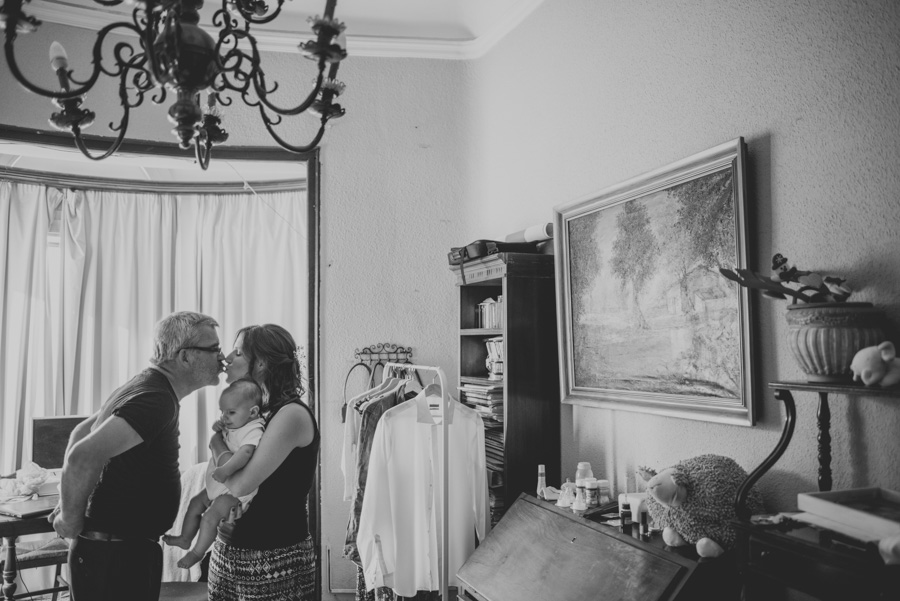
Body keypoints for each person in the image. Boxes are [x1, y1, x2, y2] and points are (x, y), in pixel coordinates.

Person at [49, 311, 224, 601]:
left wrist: (66, 506)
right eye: (214, 349)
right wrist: (69, 518)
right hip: (116, 555)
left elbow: (81, 432)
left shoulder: (147, 386)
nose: (223, 357)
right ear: (185, 356)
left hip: (115, 552)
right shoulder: (155, 399)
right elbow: (82, 455)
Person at [207, 324, 320, 601]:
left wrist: (215, 443)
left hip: (273, 558)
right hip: (227, 551)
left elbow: (239, 484)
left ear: (262, 364)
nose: (228, 358)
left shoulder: (291, 414)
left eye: (238, 353)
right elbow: (218, 485)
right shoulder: (255, 414)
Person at [163, 377, 266, 569]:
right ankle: (185, 538)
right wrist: (219, 427)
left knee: (210, 516)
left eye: (231, 412)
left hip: (234, 493)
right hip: (220, 485)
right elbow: (221, 433)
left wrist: (225, 469)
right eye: (222, 412)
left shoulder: (254, 428)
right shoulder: (238, 422)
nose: (225, 417)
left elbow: (246, 452)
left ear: (253, 412)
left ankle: (197, 552)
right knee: (195, 502)